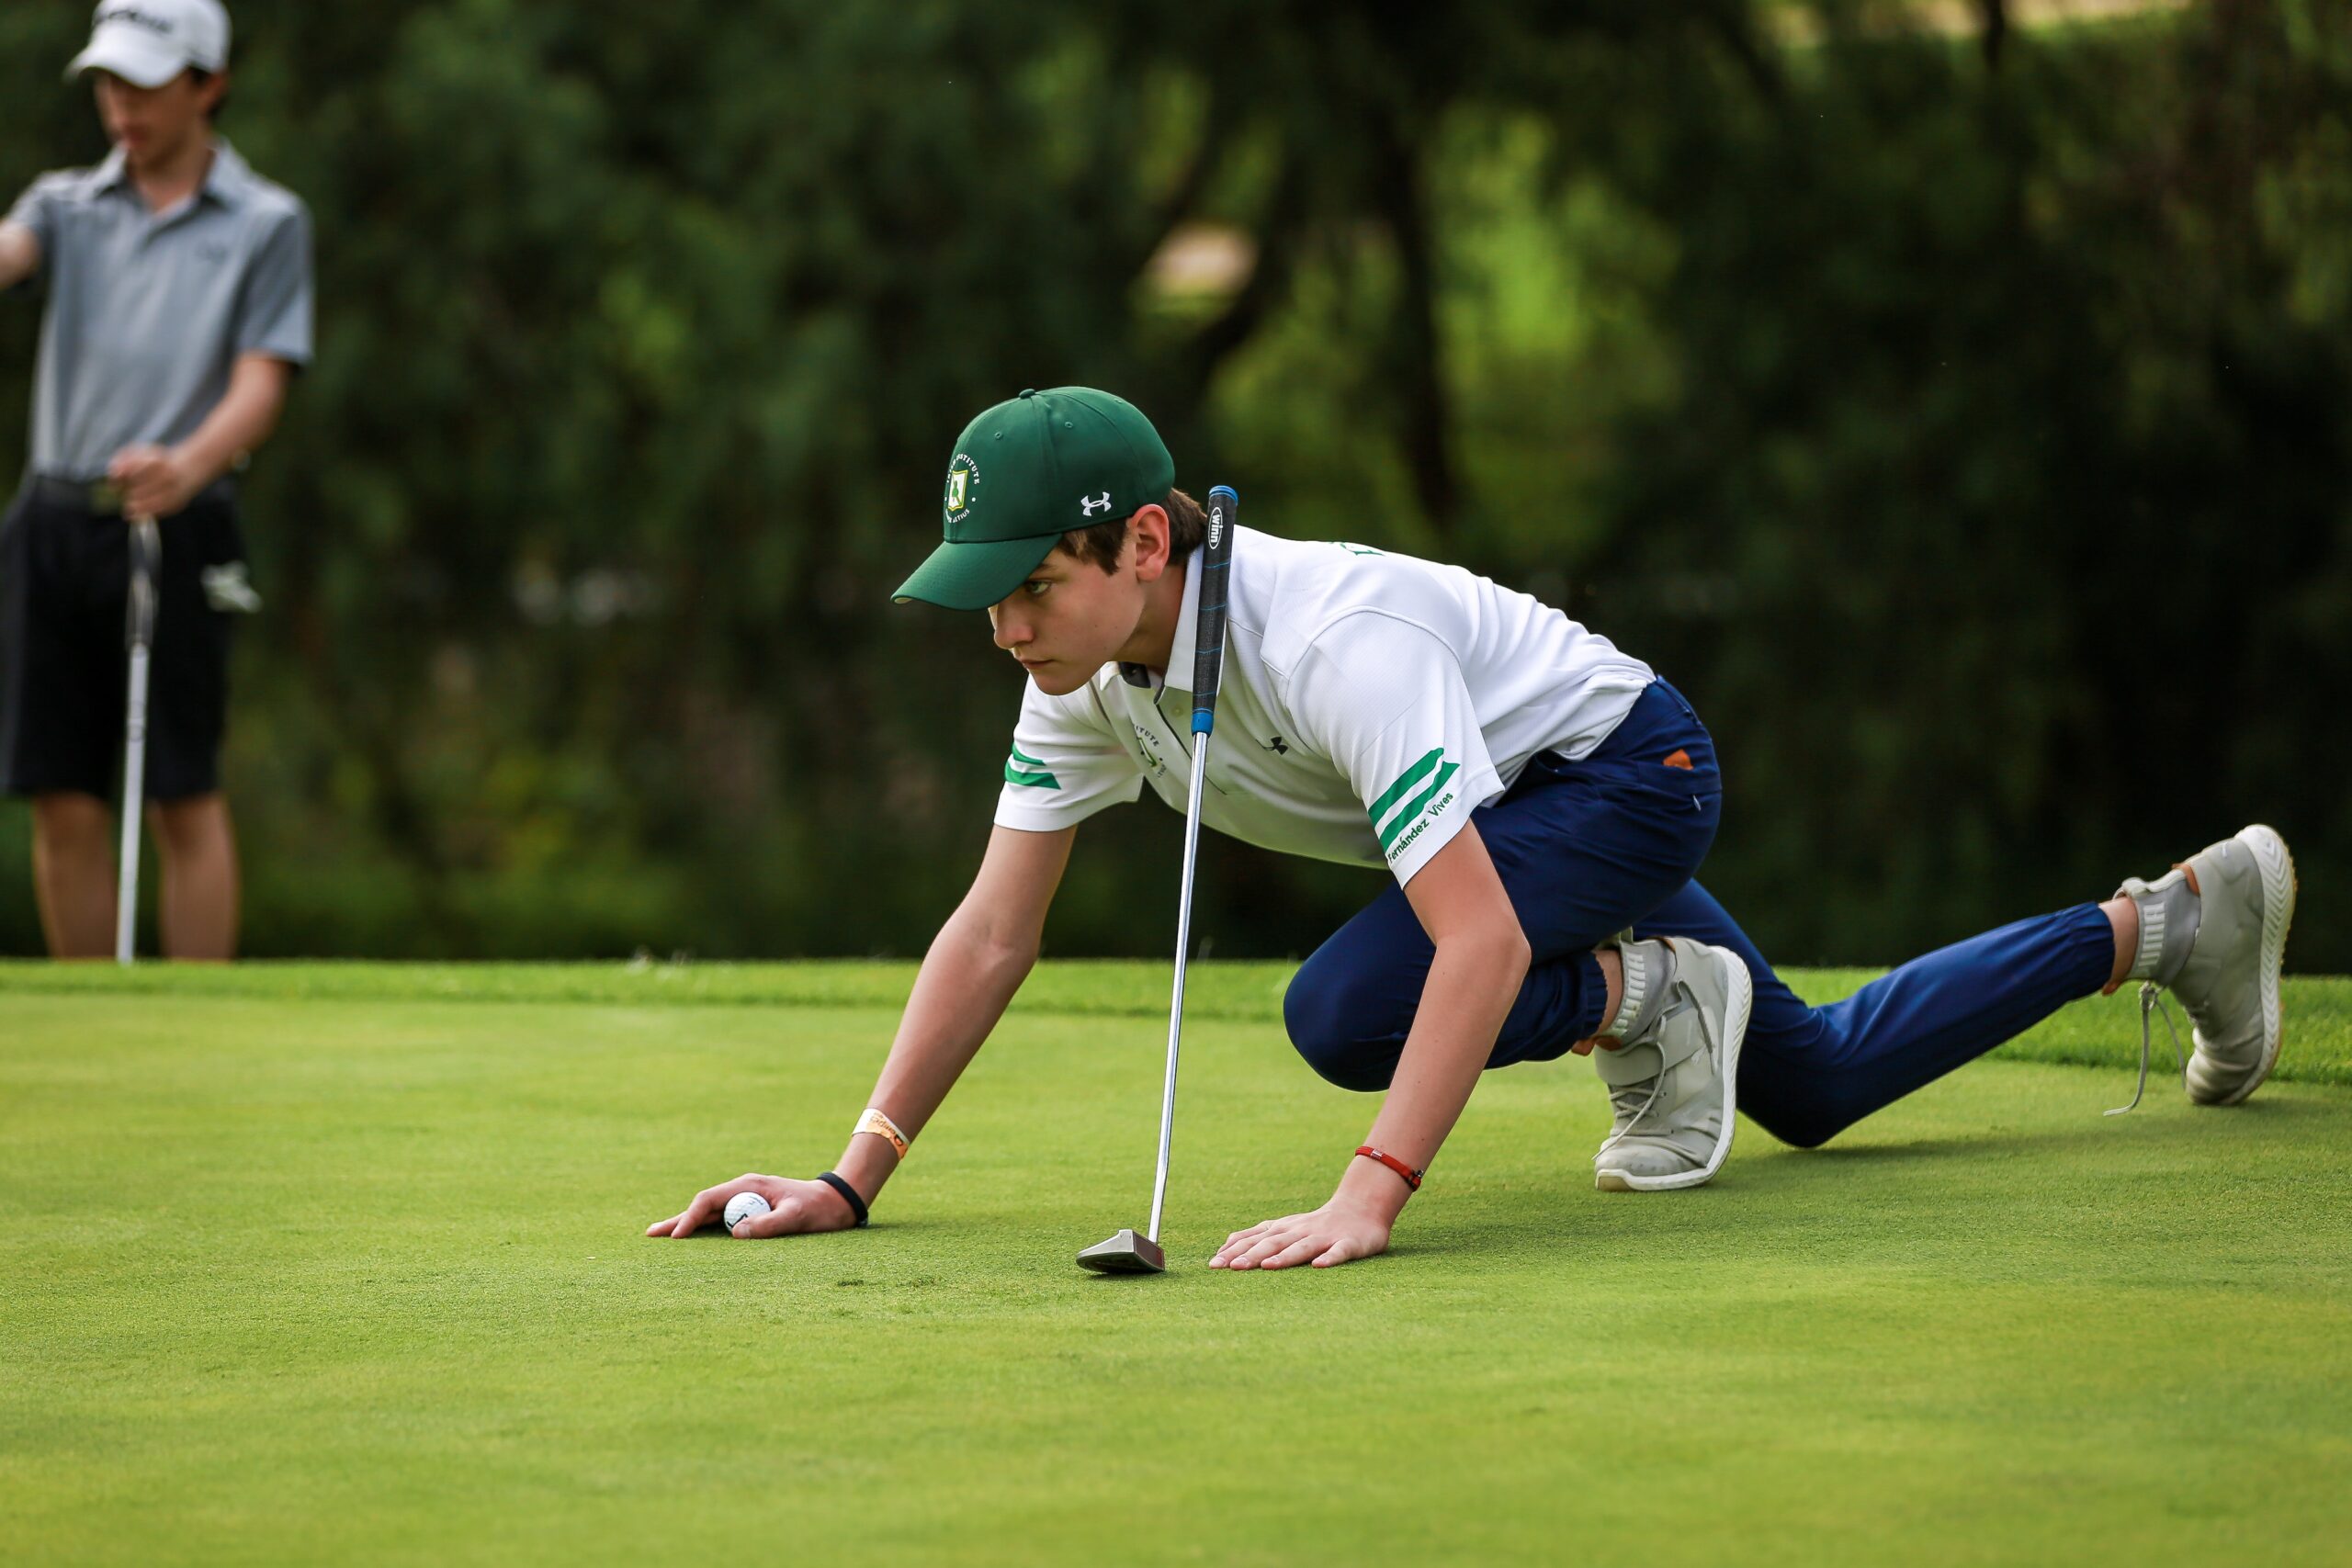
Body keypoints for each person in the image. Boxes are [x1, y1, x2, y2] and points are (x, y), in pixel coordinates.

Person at [648, 387, 2296, 1269]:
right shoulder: (1083, 675)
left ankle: (1650, 992)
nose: (1003, 627)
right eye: (985, 600)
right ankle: (2170, 923)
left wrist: (1374, 1193)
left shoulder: (1329, 634)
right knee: (1819, 1082)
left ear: (1143, 542)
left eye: (1029, 587)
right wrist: (855, 1177)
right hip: (1531, 819)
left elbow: (1483, 940)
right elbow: (993, 930)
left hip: (1628, 775)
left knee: (1345, 1009)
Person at [0, 0, 311, 959]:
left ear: (208, 84)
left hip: (181, 521)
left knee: (180, 790)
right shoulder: (65, 204)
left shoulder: (265, 222)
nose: (120, 106)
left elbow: (263, 382)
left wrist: (190, 463)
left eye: (143, 84)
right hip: (53, 521)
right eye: (107, 83)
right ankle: (99, 1024)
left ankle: (197, 1025)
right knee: (61, 794)